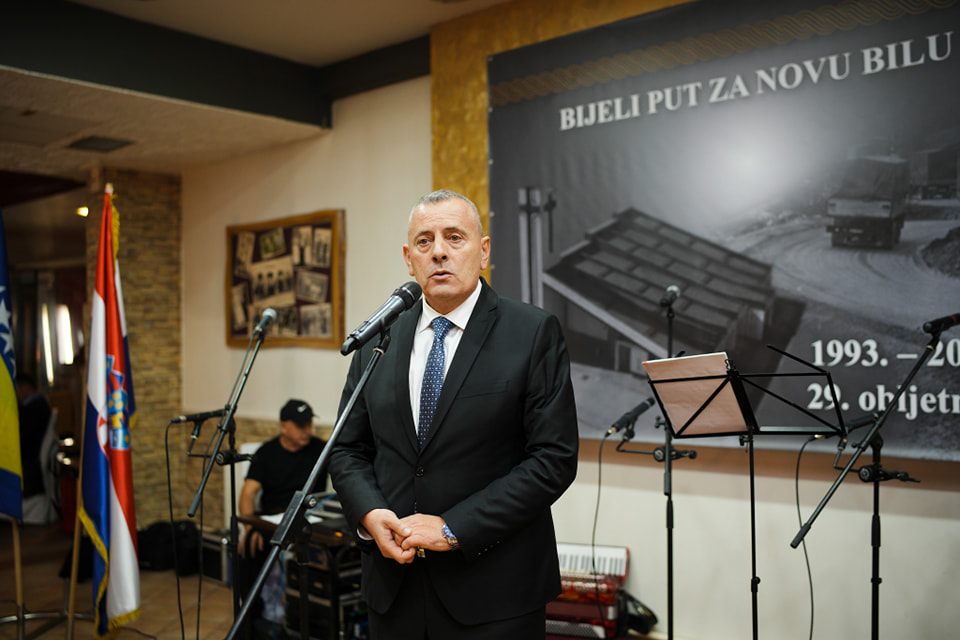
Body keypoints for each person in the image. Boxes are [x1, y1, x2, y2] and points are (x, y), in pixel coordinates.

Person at [329, 189, 579, 639]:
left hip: (495, 593)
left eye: (454, 237)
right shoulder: (378, 339)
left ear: (483, 252)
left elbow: (552, 460)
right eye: (424, 241)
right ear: (409, 259)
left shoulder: (531, 332)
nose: (439, 251)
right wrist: (369, 513)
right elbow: (347, 449)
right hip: (394, 589)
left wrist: (452, 529)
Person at [237, 399, 326, 627]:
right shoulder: (266, 453)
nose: (307, 430)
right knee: (250, 545)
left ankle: (316, 619)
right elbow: (248, 493)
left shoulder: (321, 449)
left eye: (309, 424)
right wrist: (249, 527)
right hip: (273, 521)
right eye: (300, 425)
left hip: (310, 520)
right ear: (284, 426)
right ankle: (253, 620)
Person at [15, 373, 52, 499]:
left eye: (16, 388)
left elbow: (22, 440)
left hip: (30, 471)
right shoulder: (39, 405)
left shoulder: (32, 409)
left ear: (25, 388)